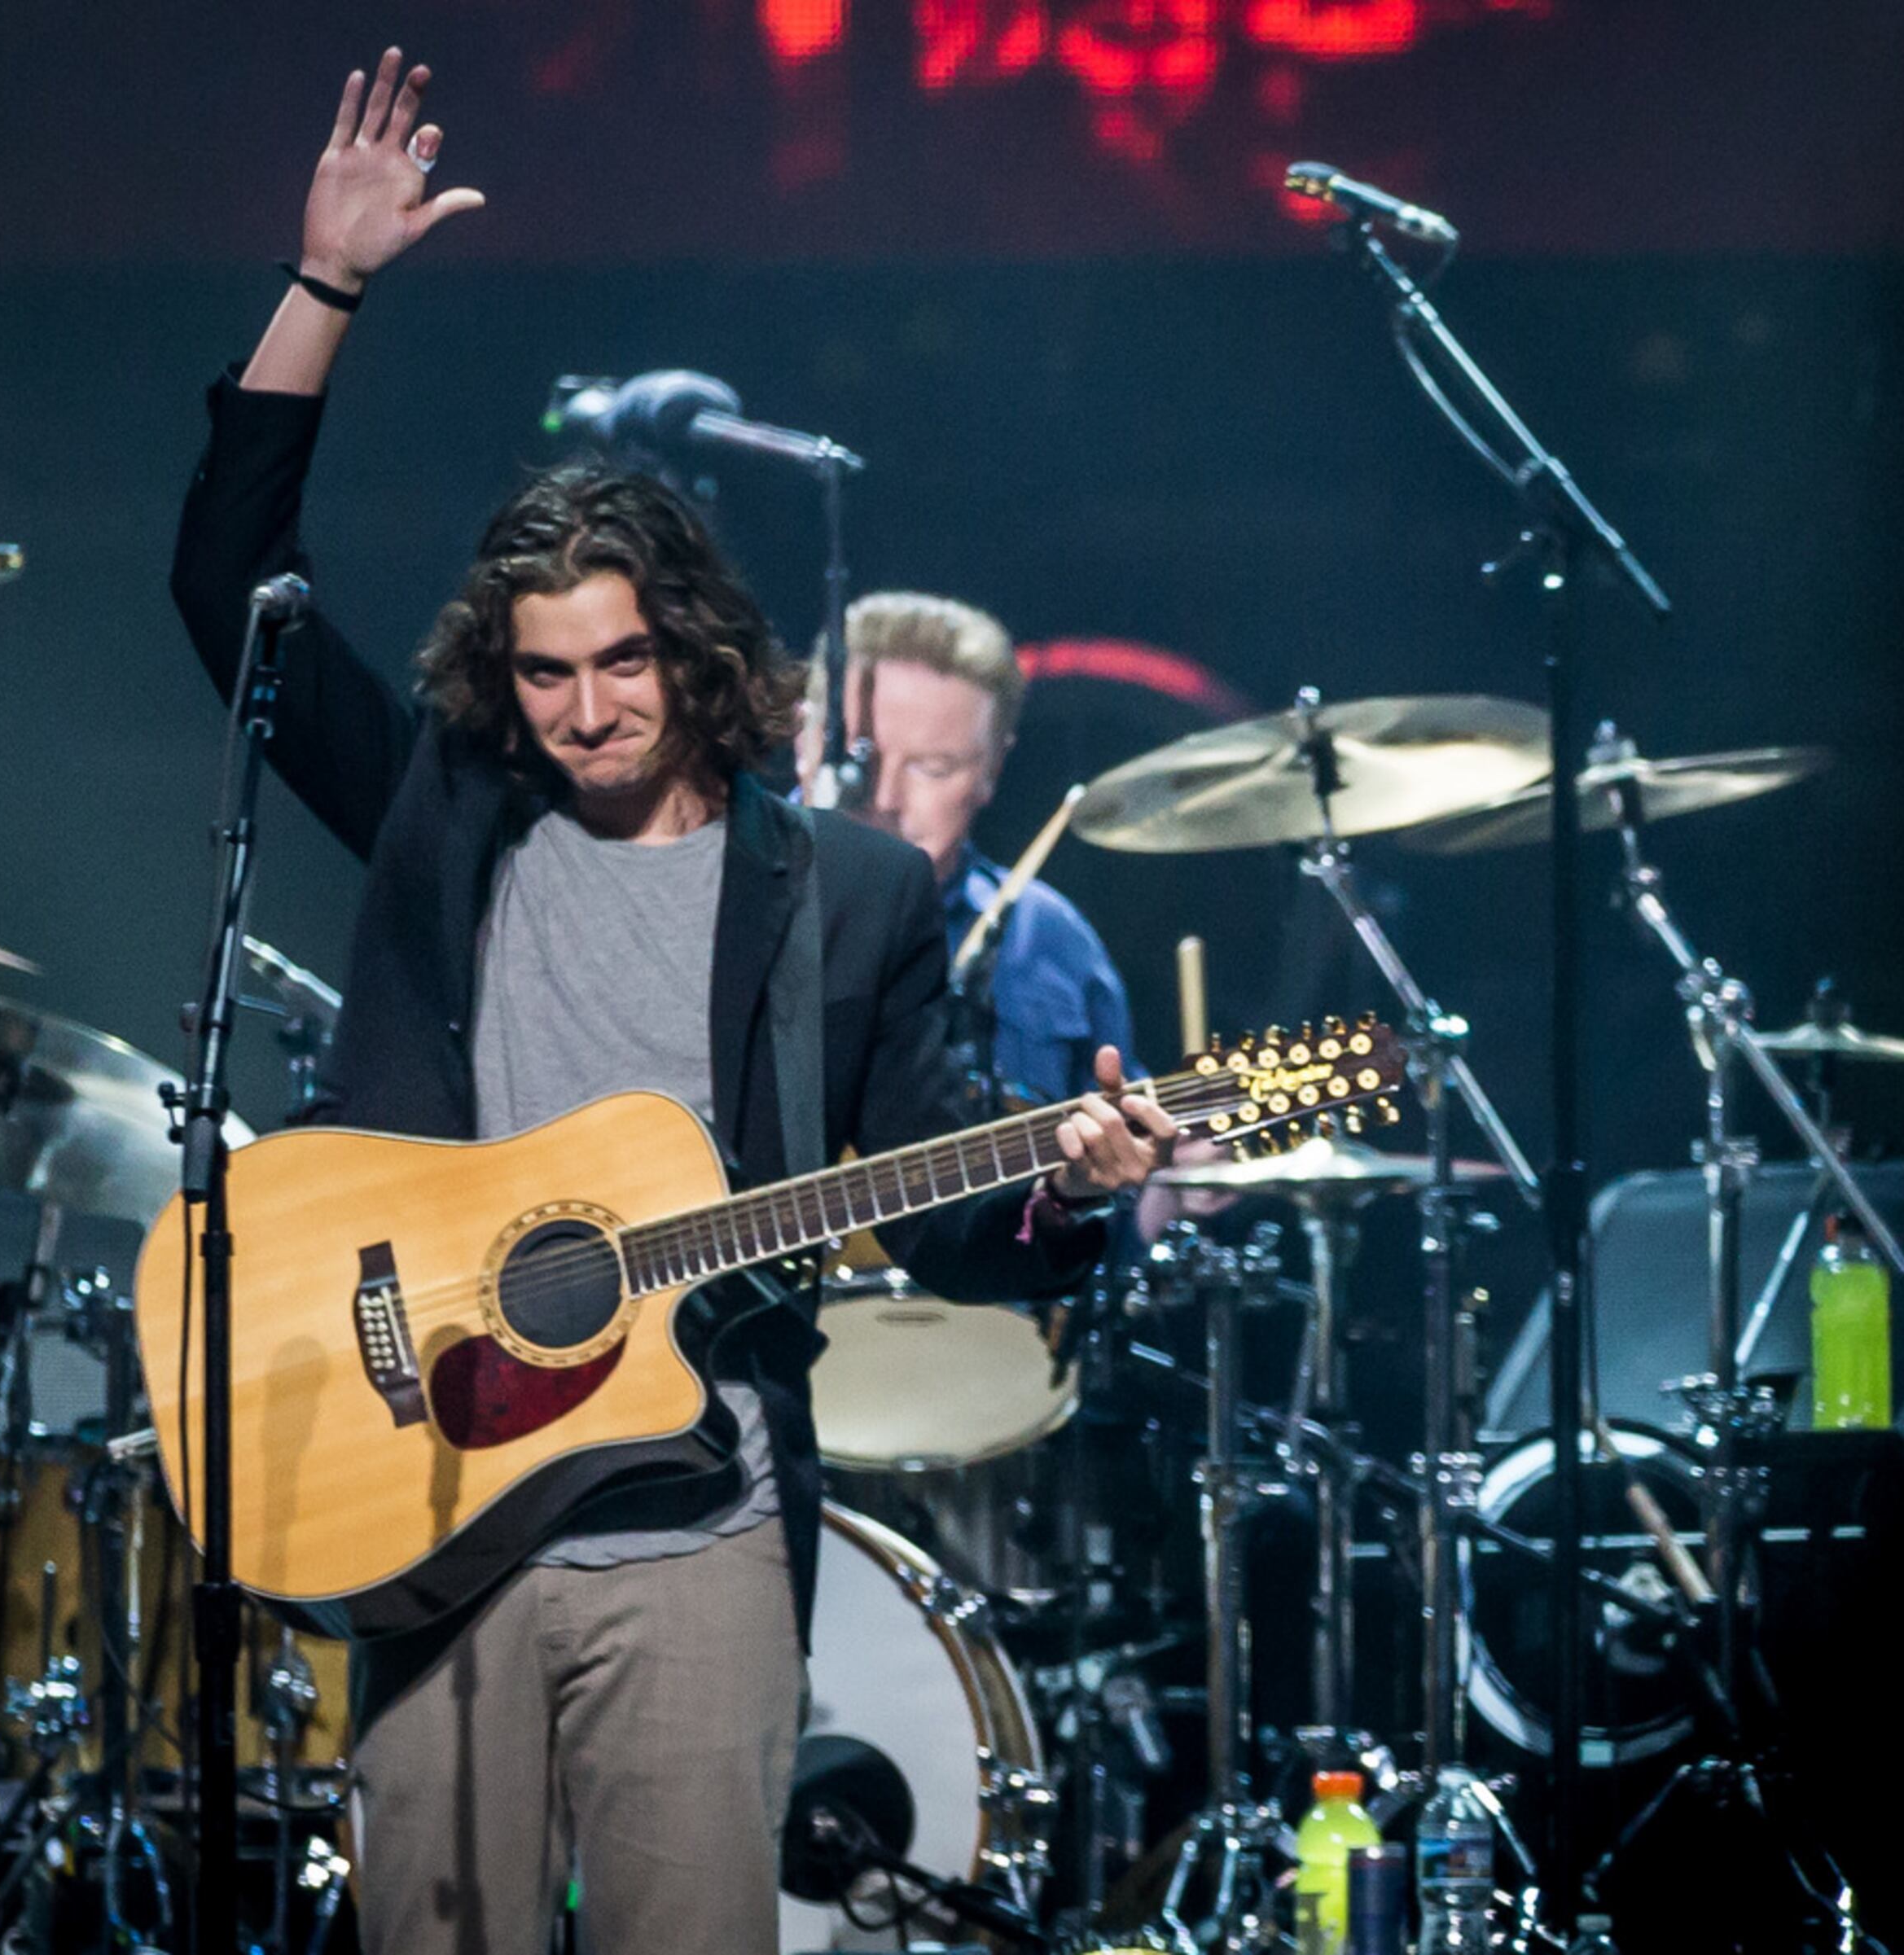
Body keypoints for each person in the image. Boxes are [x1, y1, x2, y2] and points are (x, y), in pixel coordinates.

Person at [167, 50, 1179, 1955]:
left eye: (621, 662)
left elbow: (950, 1198)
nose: (584, 709)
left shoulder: (844, 894)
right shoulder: (442, 814)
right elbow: (230, 585)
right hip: (437, 1504)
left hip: (699, 1537)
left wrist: (1071, 1182)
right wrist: (326, 289)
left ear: (697, 653)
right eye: (544, 671)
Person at [805, 590, 1136, 1109]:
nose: (886, 800)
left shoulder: (1048, 938)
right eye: (857, 760)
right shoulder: (714, 894)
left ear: (992, 771)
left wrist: (1175, 1185)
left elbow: (1116, 1177)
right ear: (802, 739)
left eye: (932, 768)